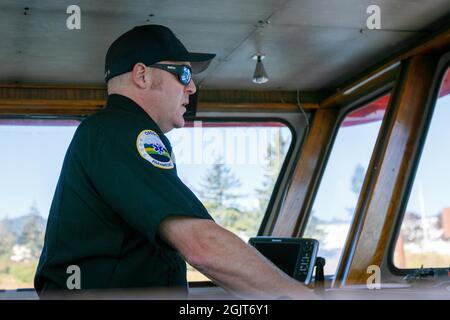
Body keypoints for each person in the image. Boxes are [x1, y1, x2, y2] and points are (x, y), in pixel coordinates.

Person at [34, 24, 315, 299]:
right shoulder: (120, 130)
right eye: (183, 73)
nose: (191, 87)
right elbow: (202, 246)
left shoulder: (110, 133)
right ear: (142, 76)